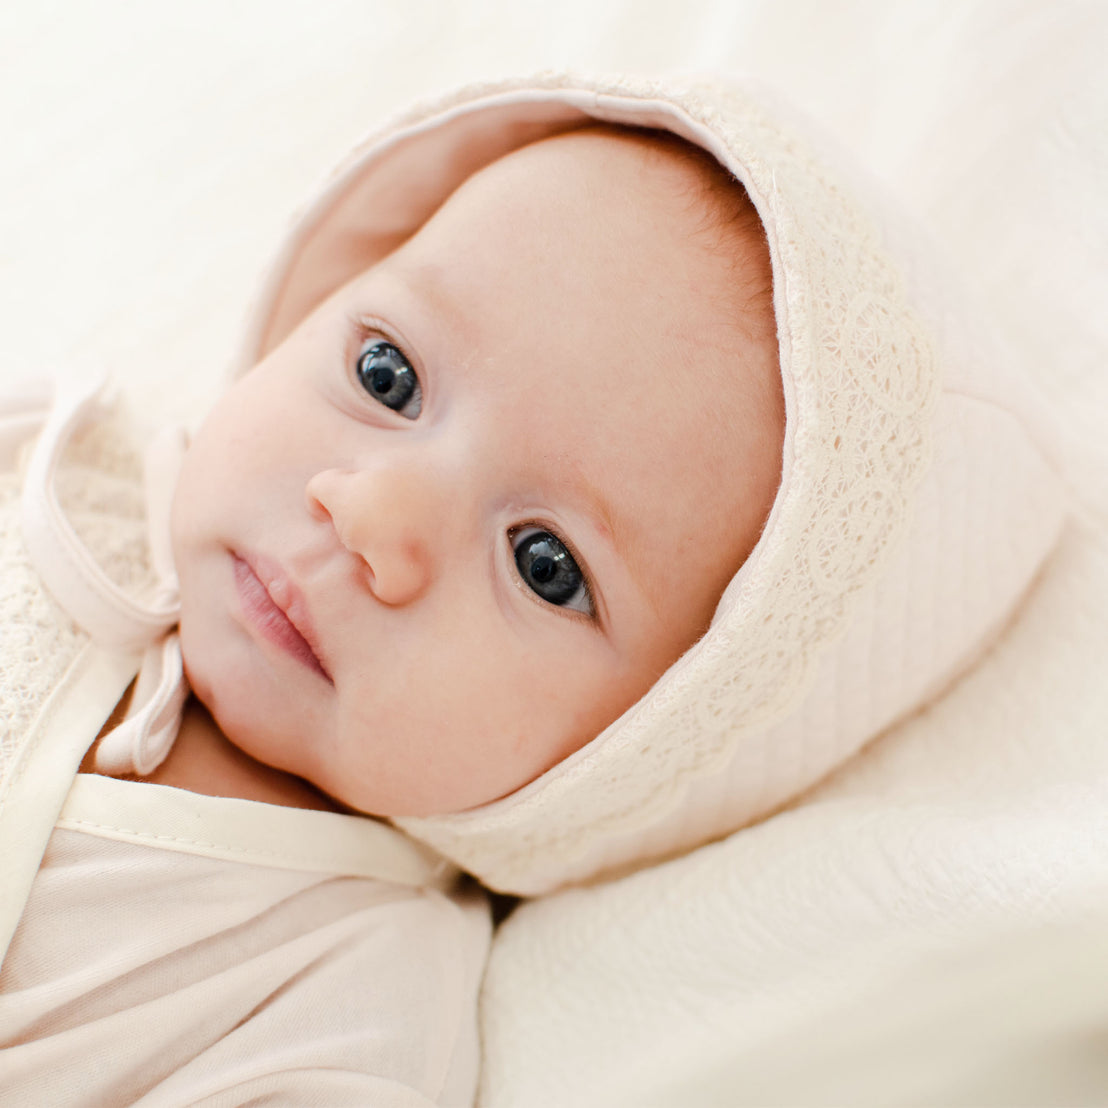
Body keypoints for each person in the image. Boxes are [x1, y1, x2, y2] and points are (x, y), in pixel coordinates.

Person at [0, 74, 1063, 1105]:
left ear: (637, 750)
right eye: (388, 376)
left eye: (542, 564)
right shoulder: (55, 466)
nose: (372, 518)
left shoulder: (343, 996)